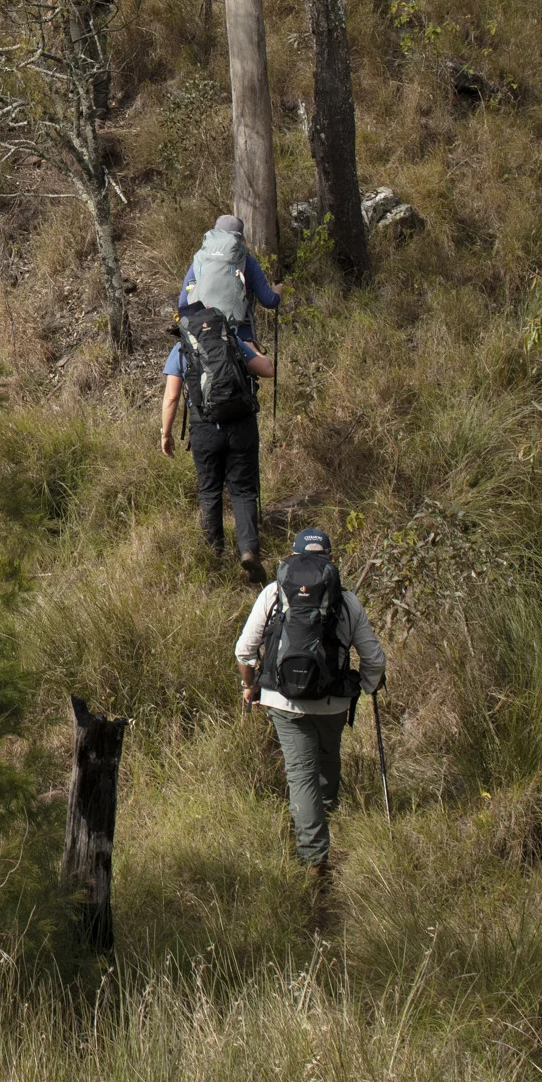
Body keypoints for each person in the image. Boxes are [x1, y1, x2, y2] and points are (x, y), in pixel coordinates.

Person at [236, 533, 387, 875]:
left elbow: (245, 650)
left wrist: (250, 686)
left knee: (301, 776)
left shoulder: (273, 593)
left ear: (294, 556)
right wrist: (362, 686)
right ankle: (322, 821)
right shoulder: (347, 601)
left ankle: (314, 860)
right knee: (328, 764)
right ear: (331, 559)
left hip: (282, 700)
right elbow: (374, 661)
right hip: (333, 701)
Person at [160, 304, 273, 577]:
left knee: (209, 491)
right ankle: (248, 551)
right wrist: (252, 347)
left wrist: (166, 433)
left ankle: (214, 557)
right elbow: (268, 369)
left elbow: (172, 398)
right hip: (242, 425)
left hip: (205, 430)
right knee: (244, 490)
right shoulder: (231, 340)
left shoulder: (181, 349)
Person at [178, 210, 281, 328]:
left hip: (202, 331)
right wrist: (276, 295)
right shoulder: (247, 261)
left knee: (178, 347)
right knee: (249, 346)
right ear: (240, 238)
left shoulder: (200, 259)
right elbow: (268, 300)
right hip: (238, 331)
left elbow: (183, 304)